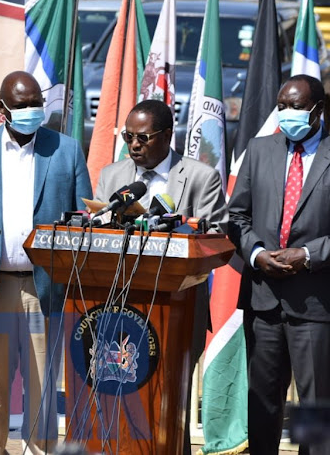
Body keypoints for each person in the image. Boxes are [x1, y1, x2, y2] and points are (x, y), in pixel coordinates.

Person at [0, 71, 92, 455]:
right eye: (21, 105)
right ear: (1, 109)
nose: (31, 111)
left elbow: (85, 222)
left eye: (36, 103)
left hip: (45, 288)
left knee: (42, 385)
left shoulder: (66, 149)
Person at [228, 74, 330, 455]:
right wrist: (257, 253)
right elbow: (236, 217)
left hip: (317, 304)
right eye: (281, 106)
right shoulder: (258, 151)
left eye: (294, 107)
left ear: (318, 110)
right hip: (264, 302)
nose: (286, 114)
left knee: (316, 411)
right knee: (262, 406)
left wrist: (307, 255)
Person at [93, 98, 227, 453]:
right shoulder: (112, 176)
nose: (134, 145)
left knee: (170, 399)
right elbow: (95, 236)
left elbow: (217, 240)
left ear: (167, 135)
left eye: (144, 137)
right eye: (128, 137)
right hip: (118, 306)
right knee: (119, 393)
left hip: (178, 310)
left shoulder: (201, 177)